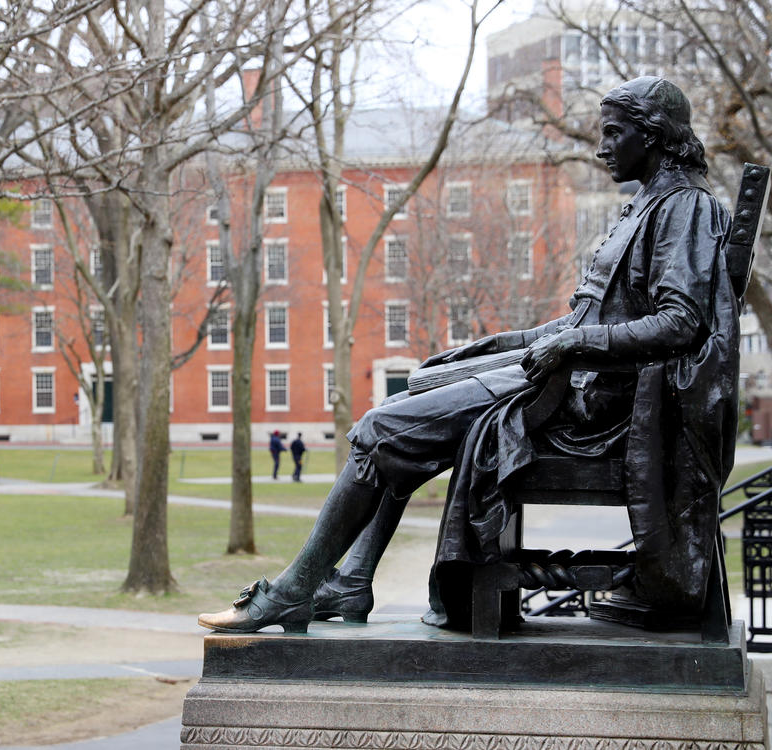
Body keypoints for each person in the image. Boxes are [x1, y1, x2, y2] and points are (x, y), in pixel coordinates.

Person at [199, 77, 738, 634]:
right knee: (422, 387)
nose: (601, 148)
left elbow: (681, 323)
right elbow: (589, 318)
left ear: (652, 136)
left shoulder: (685, 209)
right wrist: (497, 344)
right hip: (571, 380)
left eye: (613, 134)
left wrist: (570, 344)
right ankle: (354, 576)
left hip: (594, 404)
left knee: (379, 428)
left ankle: (293, 590)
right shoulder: (650, 204)